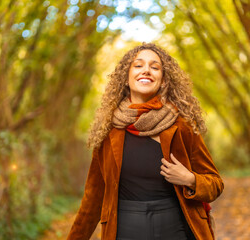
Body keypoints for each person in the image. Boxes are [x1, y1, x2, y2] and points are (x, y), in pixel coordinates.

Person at [67, 43, 224, 240]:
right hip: (124, 231)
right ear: (126, 77)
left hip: (175, 230)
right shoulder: (108, 131)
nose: (147, 70)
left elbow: (215, 184)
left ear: (163, 80)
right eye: (138, 65)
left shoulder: (182, 126)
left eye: (155, 67)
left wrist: (190, 179)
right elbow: (92, 200)